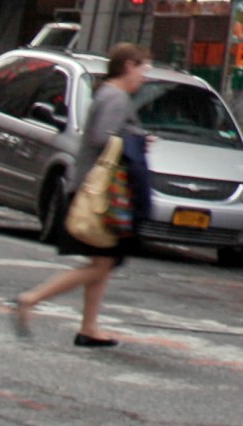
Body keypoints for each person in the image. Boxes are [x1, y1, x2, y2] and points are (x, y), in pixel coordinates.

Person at [13, 45, 151, 347]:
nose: (144, 76)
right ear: (129, 65)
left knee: (102, 262)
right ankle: (31, 298)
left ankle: (89, 327)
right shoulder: (115, 96)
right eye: (143, 69)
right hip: (99, 193)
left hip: (91, 188)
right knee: (101, 263)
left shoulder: (107, 93)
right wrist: (138, 140)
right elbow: (104, 136)